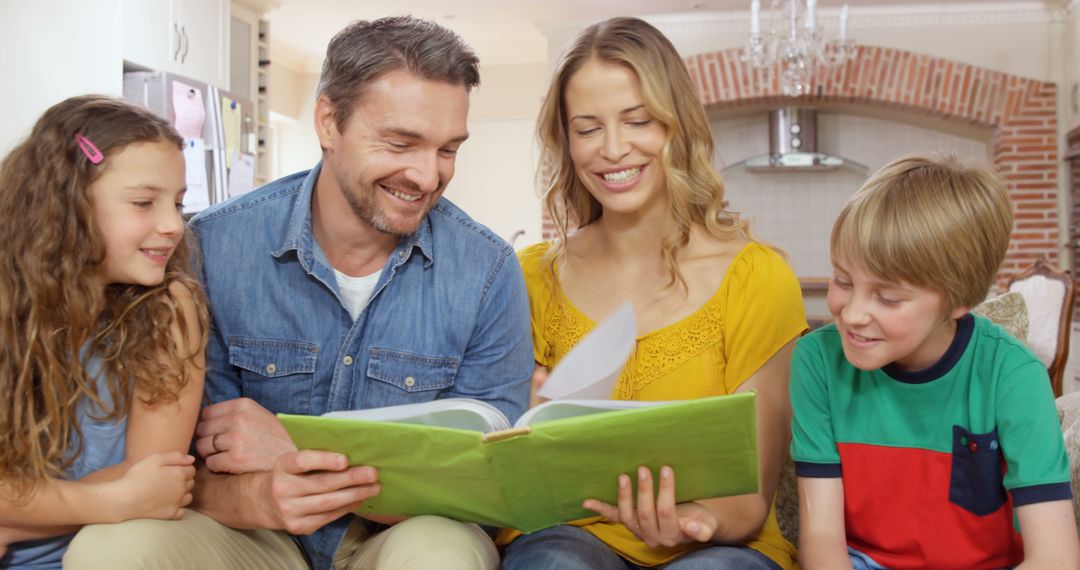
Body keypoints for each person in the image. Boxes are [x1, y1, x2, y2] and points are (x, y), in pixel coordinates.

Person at [64, 16, 533, 570]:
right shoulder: (210, 246)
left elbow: (491, 491)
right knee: (111, 549)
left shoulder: (488, 271)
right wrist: (258, 495)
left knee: (439, 553)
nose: (428, 176)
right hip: (251, 530)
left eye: (448, 150)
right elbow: (181, 466)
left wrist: (302, 453)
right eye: (401, 143)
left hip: (401, 536)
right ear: (329, 121)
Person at [500, 17, 806, 570]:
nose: (613, 149)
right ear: (566, 141)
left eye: (638, 120)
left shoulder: (757, 277)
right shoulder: (528, 278)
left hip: (718, 545)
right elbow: (511, 482)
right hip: (567, 536)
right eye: (588, 128)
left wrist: (699, 520)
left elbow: (748, 499)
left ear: (677, 124)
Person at [791, 155, 1080, 569]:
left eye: (888, 297)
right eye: (843, 281)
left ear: (959, 299)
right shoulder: (817, 361)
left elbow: (1055, 559)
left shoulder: (1012, 374)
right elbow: (820, 539)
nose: (852, 313)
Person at [0, 95, 208, 568]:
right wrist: (115, 498)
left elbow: (154, 482)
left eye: (177, 203)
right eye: (143, 203)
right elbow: (133, 492)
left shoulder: (168, 310)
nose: (173, 225)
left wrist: (13, 515)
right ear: (66, 202)